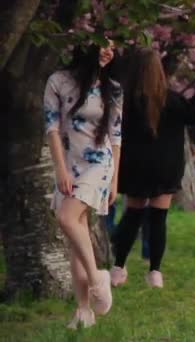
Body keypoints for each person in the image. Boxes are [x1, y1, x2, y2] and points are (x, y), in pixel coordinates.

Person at [44, 42, 121, 328]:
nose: (108, 52)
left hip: (99, 163)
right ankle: (83, 310)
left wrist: (115, 180)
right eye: (104, 45)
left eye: (113, 48)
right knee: (77, 237)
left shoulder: (112, 87)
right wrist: (60, 169)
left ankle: (97, 276)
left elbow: (116, 136)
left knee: (66, 217)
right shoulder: (58, 81)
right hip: (68, 164)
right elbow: (51, 127)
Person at [110, 48, 195, 289]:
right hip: (165, 168)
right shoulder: (172, 100)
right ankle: (155, 272)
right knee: (158, 220)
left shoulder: (127, 101)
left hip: (135, 168)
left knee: (132, 216)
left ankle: (118, 267)